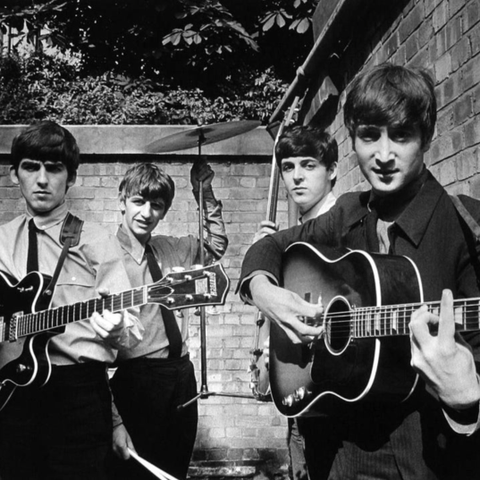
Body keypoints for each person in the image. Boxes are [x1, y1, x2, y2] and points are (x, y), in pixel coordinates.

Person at [239, 63, 480, 479]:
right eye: (369, 136)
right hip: (338, 453)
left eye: (401, 136)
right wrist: (265, 292)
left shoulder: (465, 225)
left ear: (426, 138)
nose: (383, 155)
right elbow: (269, 246)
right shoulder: (349, 212)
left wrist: (466, 399)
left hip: (430, 458)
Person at [0, 120, 142, 480]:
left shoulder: (96, 240)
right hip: (12, 393)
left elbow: (129, 324)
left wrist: (115, 329)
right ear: (15, 175)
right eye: (31, 168)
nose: (42, 179)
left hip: (77, 395)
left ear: (72, 177)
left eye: (54, 168)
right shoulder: (1, 240)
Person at [109, 160, 228, 480]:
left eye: (156, 205)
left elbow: (215, 247)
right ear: (122, 200)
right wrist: (114, 420)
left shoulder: (172, 248)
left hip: (181, 377)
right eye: (138, 201)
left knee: (174, 472)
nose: (146, 212)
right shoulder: (101, 256)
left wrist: (204, 193)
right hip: (136, 381)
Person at [252, 125, 337, 480]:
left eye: (309, 165)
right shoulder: (287, 240)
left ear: (332, 169)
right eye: (288, 167)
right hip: (303, 395)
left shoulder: (347, 228)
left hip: (338, 403)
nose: (297, 177)